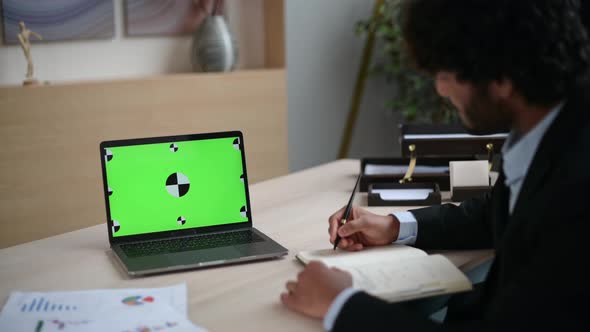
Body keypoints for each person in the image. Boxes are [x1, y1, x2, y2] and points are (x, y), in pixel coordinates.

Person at [280, 0, 590, 331]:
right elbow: (500, 215)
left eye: (445, 73)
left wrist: (341, 305)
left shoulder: (577, 189)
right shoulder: (552, 127)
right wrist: (396, 226)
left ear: (502, 78)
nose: (440, 89)